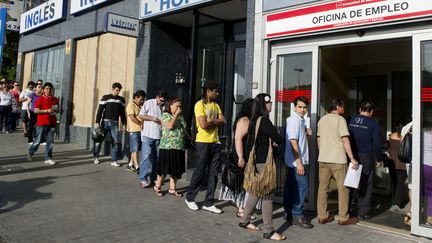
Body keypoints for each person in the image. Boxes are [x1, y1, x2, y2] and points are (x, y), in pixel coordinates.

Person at [239, 93, 286, 241]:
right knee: (267, 195)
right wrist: (275, 140)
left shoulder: (253, 120)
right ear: (262, 105)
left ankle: (244, 220)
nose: (271, 104)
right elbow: (279, 138)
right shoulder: (264, 121)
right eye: (268, 102)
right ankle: (269, 231)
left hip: (255, 161)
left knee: (255, 191)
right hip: (264, 163)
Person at [185, 80, 226, 214]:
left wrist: (212, 120)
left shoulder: (216, 105)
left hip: (215, 142)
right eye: (215, 91)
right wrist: (215, 121)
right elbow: (202, 124)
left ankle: (209, 202)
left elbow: (223, 121)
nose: (217, 93)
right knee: (200, 170)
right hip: (202, 142)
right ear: (208, 91)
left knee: (214, 174)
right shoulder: (199, 104)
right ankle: (190, 197)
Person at [317, 98, 359, 225]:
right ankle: (343, 217)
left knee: (323, 188)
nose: (344, 109)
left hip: (323, 158)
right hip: (338, 159)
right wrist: (352, 158)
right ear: (338, 107)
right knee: (343, 189)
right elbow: (345, 140)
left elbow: (319, 139)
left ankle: (322, 216)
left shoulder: (322, 120)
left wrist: (323, 152)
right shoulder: (340, 120)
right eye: (343, 106)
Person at [218, 98, 255, 217]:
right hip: (240, 154)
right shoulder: (245, 120)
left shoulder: (247, 119)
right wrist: (240, 157)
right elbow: (238, 139)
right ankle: (241, 209)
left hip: (242, 154)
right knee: (240, 183)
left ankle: (242, 207)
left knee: (243, 183)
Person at [347, 101, 383, 220]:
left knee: (350, 182)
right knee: (366, 183)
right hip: (365, 155)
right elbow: (377, 143)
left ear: (360, 109)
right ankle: (363, 211)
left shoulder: (350, 119)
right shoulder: (373, 123)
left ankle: (346, 209)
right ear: (371, 112)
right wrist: (379, 158)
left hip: (351, 154)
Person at [283, 96, 313, 229]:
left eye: (305, 107)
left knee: (291, 187)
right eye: (300, 107)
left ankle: (289, 212)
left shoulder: (299, 121)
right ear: (295, 107)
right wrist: (299, 163)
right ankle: (297, 214)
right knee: (302, 187)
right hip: (296, 162)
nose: (302, 109)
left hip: (293, 162)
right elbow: (293, 141)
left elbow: (299, 140)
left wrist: (307, 134)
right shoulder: (294, 120)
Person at [153, 98, 186, 197]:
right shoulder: (165, 115)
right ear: (170, 106)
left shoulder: (181, 117)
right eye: (177, 106)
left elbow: (183, 128)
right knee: (163, 168)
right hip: (167, 146)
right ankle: (157, 187)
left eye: (180, 106)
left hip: (179, 146)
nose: (179, 109)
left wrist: (189, 137)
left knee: (175, 169)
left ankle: (172, 189)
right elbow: (170, 126)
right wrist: (176, 115)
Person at [138, 90, 168, 187]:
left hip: (159, 136)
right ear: (157, 97)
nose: (162, 103)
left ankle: (154, 178)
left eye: (164, 101)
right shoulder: (148, 103)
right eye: (161, 100)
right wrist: (152, 118)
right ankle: (143, 179)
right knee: (146, 157)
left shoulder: (166, 105)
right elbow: (140, 115)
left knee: (157, 158)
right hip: (148, 134)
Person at [93, 82, 127, 166]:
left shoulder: (121, 100)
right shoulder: (105, 97)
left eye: (119, 90)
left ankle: (114, 161)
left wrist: (124, 123)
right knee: (99, 140)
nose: (118, 92)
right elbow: (100, 110)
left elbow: (122, 113)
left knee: (115, 142)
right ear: (113, 89)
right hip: (104, 122)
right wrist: (97, 122)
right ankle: (96, 157)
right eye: (117, 90)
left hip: (115, 123)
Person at [27, 82, 59, 165]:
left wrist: (56, 110)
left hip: (52, 122)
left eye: (50, 89)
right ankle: (30, 152)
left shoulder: (55, 99)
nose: (48, 90)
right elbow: (35, 110)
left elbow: (57, 109)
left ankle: (48, 158)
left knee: (50, 141)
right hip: (41, 122)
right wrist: (46, 111)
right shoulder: (40, 99)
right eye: (47, 89)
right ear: (44, 90)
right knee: (37, 141)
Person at [388, 122, 407, 213]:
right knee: (400, 183)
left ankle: (393, 201)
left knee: (394, 182)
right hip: (402, 163)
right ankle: (396, 204)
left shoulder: (391, 135)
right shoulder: (404, 137)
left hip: (392, 162)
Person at [126, 90, 146, 172]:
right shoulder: (131, 105)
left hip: (139, 130)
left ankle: (130, 164)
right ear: (136, 97)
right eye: (141, 99)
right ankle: (137, 166)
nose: (142, 101)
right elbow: (132, 117)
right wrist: (141, 123)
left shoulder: (139, 106)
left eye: (143, 99)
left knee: (136, 147)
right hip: (133, 130)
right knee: (135, 149)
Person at [401, 120, 413, 225]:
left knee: (411, 186)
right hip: (421, 162)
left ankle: (412, 210)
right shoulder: (423, 125)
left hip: (409, 162)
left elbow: (402, 144)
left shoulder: (406, 126)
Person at [422, 110, 432, 225]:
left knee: (421, 191)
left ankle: (417, 215)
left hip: (420, 165)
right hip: (430, 164)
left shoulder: (421, 131)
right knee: (430, 192)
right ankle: (429, 217)